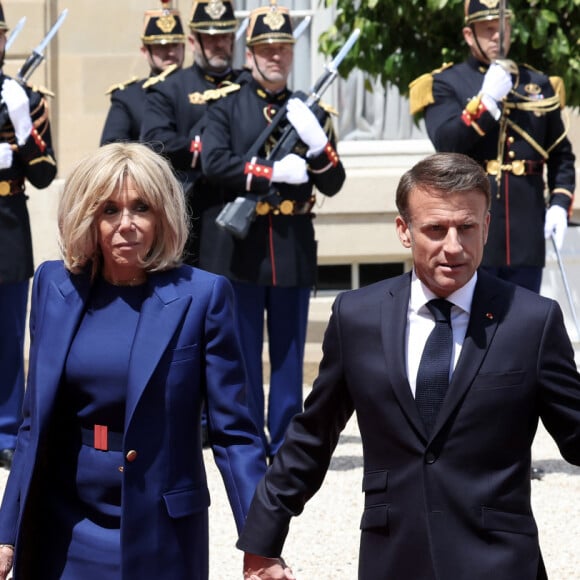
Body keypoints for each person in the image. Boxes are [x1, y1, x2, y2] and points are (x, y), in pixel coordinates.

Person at [237, 152, 580, 580]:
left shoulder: (532, 321)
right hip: (392, 556)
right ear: (404, 230)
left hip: (499, 561)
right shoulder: (356, 317)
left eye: (466, 228)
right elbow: (312, 436)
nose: (452, 246)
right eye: (436, 229)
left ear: (486, 227)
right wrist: (262, 543)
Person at [0, 142, 266, 579]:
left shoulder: (203, 296)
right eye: (109, 210)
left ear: (162, 214)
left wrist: (261, 543)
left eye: (141, 207)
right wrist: (6, 531)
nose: (127, 225)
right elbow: (33, 423)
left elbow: (235, 434)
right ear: (89, 217)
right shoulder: (53, 285)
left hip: (160, 522)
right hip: (62, 519)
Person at [200, 0, 346, 461]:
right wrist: (268, 173)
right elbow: (213, 162)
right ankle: (244, 440)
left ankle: (283, 440)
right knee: (242, 353)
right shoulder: (226, 106)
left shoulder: (310, 111)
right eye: (265, 48)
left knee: (287, 354)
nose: (275, 56)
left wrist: (319, 144)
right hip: (242, 247)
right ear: (250, 54)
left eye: (283, 48)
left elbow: (334, 182)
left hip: (292, 245)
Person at [409, 0, 575, 295]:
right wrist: (485, 102)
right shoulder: (447, 83)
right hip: (469, 232)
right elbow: (447, 143)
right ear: (469, 35)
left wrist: (560, 205)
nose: (498, 36)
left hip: (526, 230)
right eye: (488, 30)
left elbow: (561, 154)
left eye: (503, 27)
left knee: (524, 328)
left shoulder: (537, 84)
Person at [0, 2, 57, 470]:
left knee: (7, 331)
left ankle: (4, 429)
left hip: (7, 224)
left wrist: (25, 133)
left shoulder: (25, 98)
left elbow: (44, 173)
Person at [140, 0, 240, 266]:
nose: (219, 44)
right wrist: (205, 150)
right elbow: (154, 142)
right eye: (210, 37)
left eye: (224, 36)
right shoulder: (170, 88)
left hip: (244, 212)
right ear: (194, 41)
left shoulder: (247, 85)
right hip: (193, 209)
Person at [100, 0, 186, 145]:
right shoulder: (129, 97)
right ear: (145, 51)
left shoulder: (200, 89)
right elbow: (112, 149)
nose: (170, 52)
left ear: (185, 47)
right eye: (161, 47)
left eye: (175, 45)